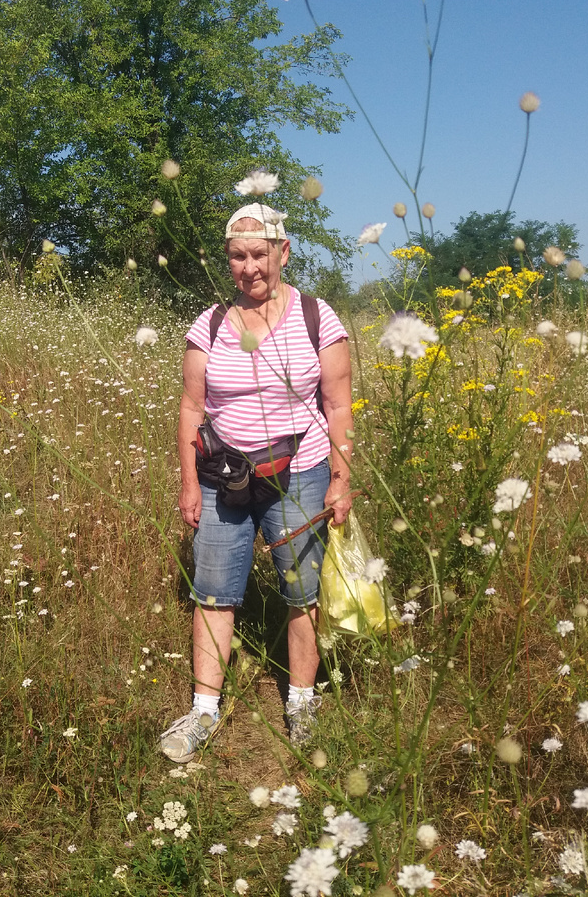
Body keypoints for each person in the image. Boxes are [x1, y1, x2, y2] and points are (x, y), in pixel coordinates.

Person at [159, 203, 354, 763]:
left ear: (284, 252)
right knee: (213, 594)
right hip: (225, 479)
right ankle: (202, 712)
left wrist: (340, 479)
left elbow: (338, 406)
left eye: (260, 254)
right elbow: (192, 407)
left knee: (302, 593)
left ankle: (300, 702)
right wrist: (190, 483)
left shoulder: (318, 318)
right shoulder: (211, 325)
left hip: (302, 473)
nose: (249, 268)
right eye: (238, 257)